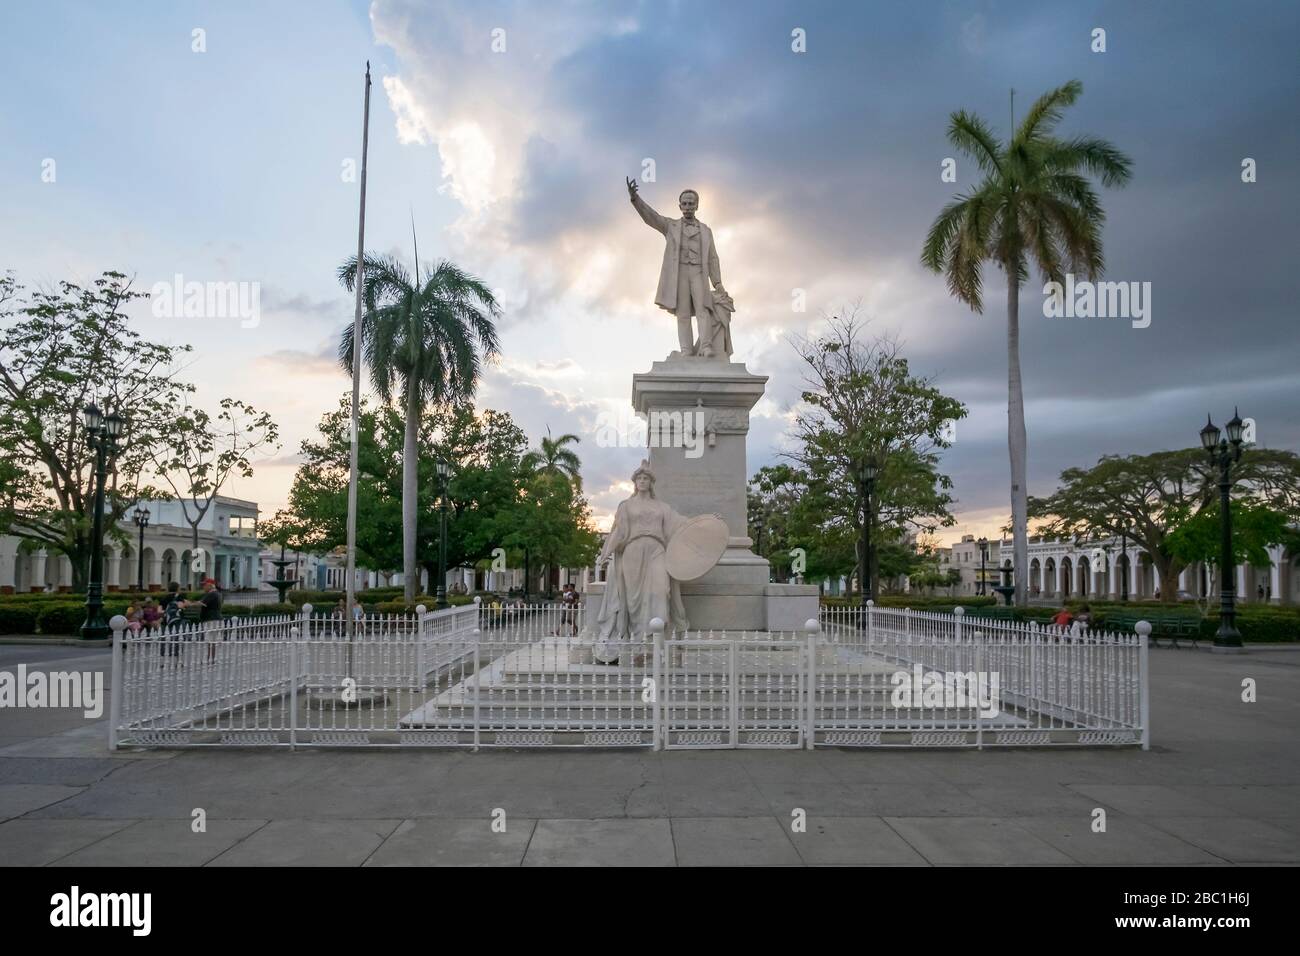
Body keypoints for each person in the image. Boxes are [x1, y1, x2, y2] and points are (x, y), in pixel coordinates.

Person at [627, 179, 732, 358]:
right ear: (679, 206)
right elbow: (651, 217)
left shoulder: (706, 230)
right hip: (680, 273)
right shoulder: (671, 226)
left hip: (699, 272)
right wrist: (635, 198)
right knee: (682, 313)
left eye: (691, 203)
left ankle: (706, 347)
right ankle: (686, 350)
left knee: (703, 309)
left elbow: (713, 258)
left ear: (697, 205)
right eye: (684, 203)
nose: (688, 206)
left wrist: (718, 283)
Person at [197, 578, 223, 663]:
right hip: (214, 619)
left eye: (204, 585)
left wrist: (189, 603)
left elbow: (202, 603)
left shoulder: (212, 594)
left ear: (210, 585)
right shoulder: (217, 594)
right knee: (212, 640)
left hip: (211, 619)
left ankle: (209, 658)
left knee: (210, 640)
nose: (203, 587)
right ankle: (212, 658)